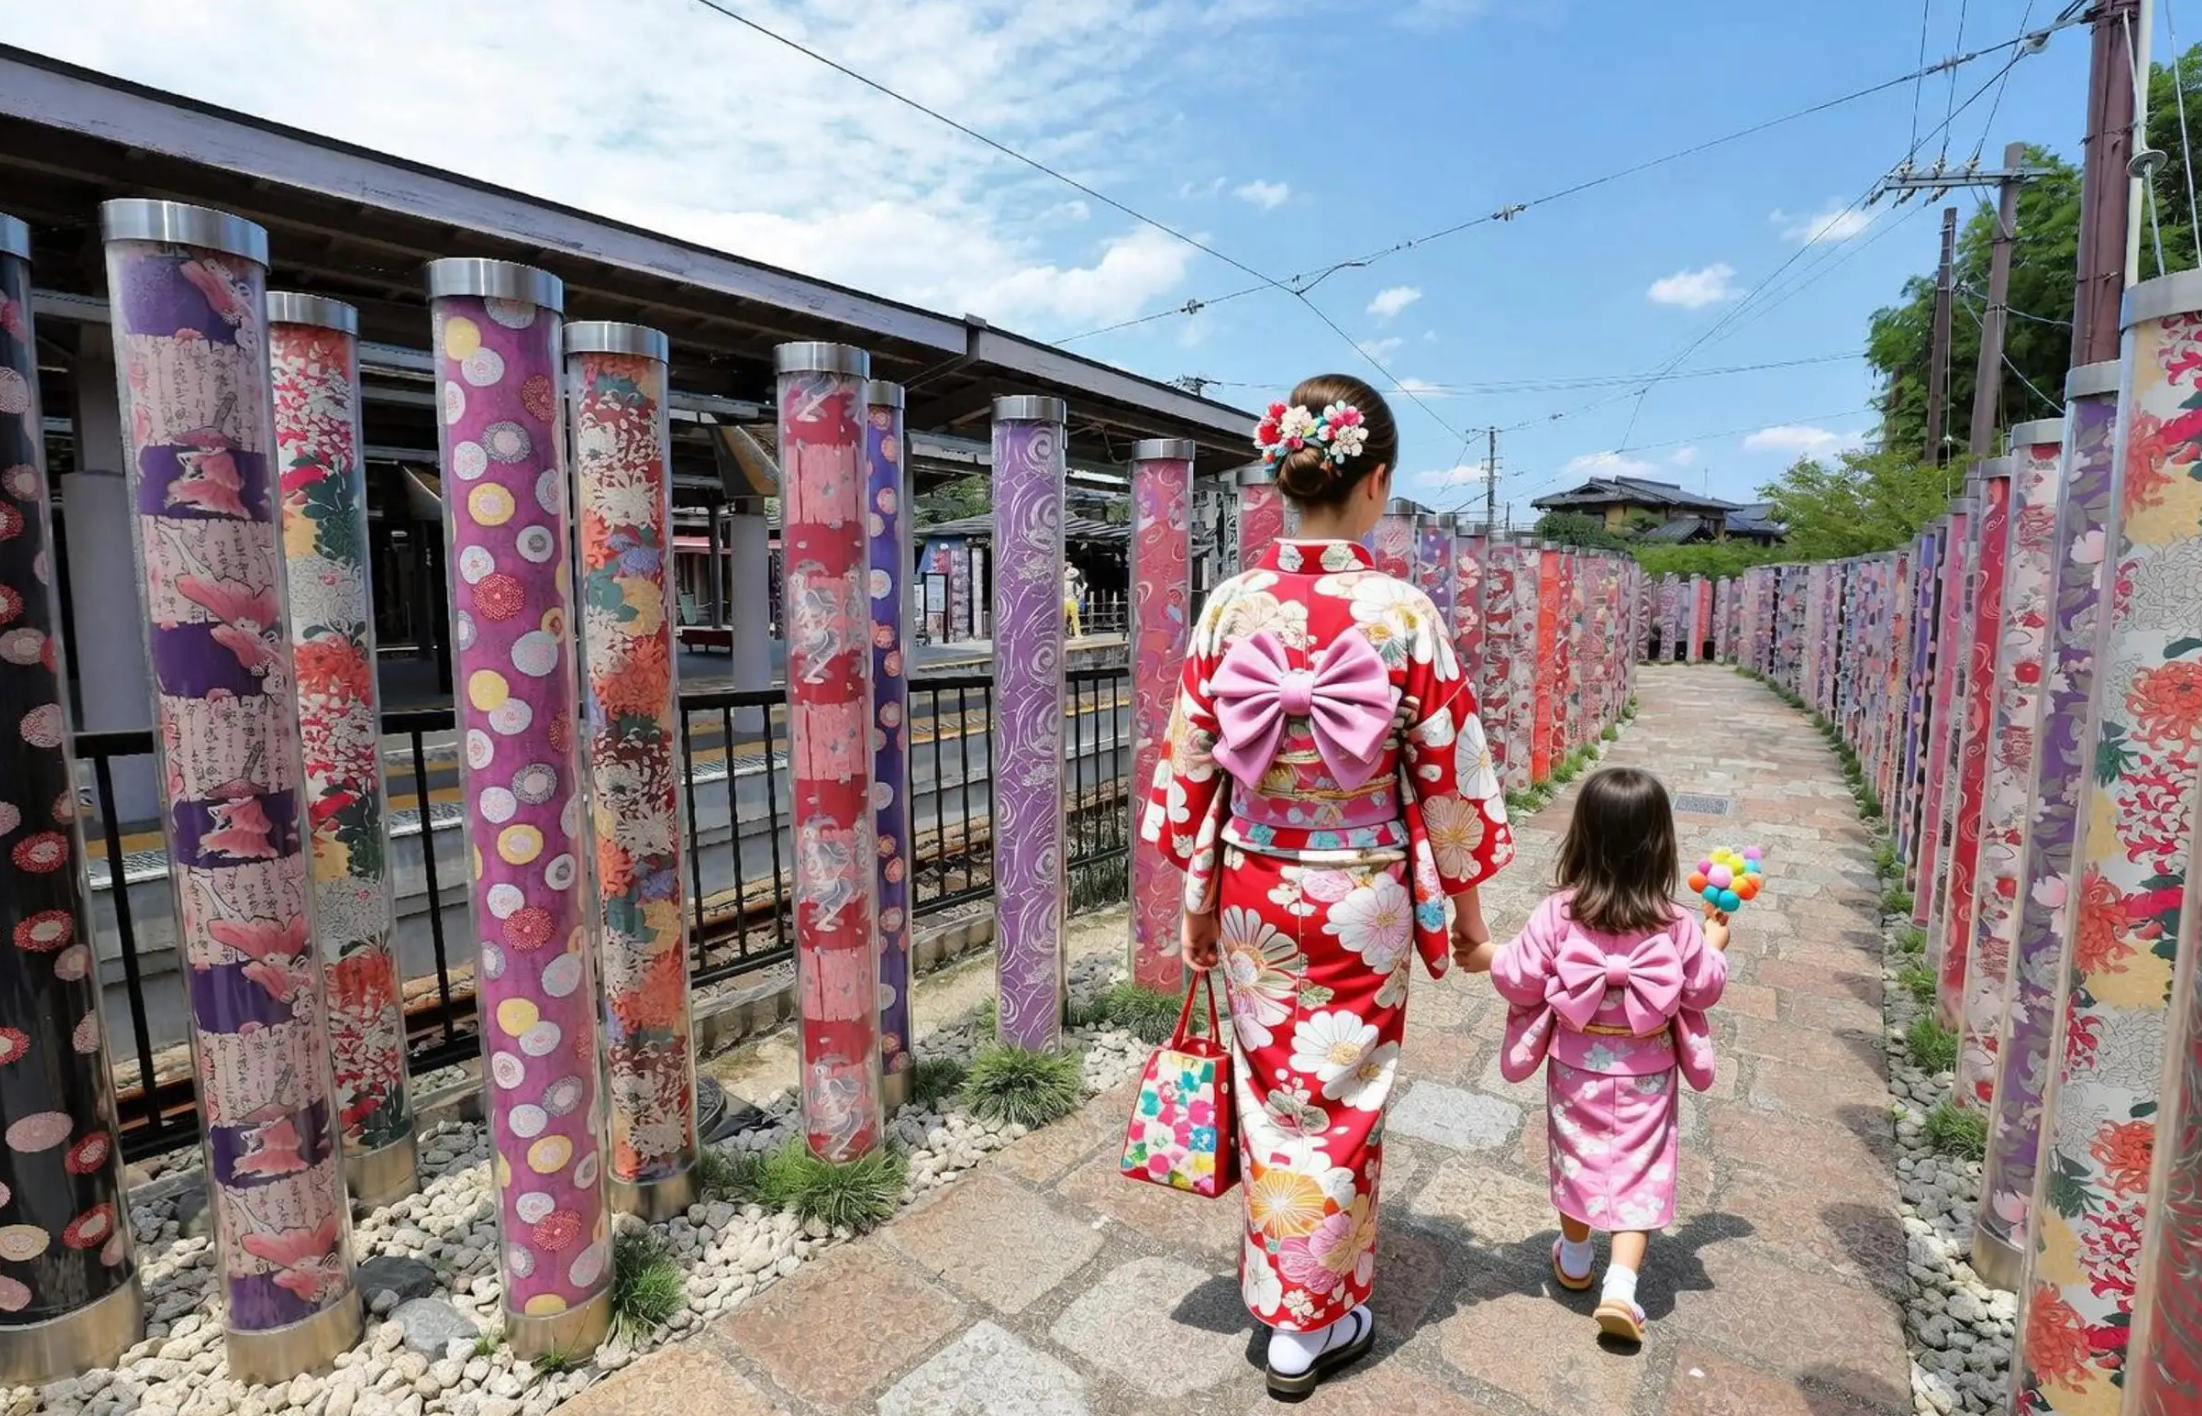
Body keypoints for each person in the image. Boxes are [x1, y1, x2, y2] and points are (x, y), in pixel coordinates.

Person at [1139, 373, 1513, 1400]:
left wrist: (1203, 901)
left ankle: (1286, 1302)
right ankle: (1315, 1319)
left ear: (1285, 477)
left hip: (1260, 881)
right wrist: (1472, 924)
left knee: (1274, 1098)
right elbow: (1451, 780)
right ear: (1376, 483)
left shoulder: (1232, 605)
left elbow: (1192, 771)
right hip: (1362, 899)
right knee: (1346, 1100)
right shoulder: (1401, 613)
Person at [1461, 766, 1728, 1344]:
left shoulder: (1557, 914)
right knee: (1640, 1167)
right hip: (1647, 1073)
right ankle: (1622, 1286)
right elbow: (1705, 988)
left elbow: (1520, 978)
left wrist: (1486, 955)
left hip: (1576, 1069)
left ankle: (1577, 1259)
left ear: (1581, 838)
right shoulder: (1677, 924)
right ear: (1662, 847)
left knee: (1578, 1156)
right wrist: (1713, 943)